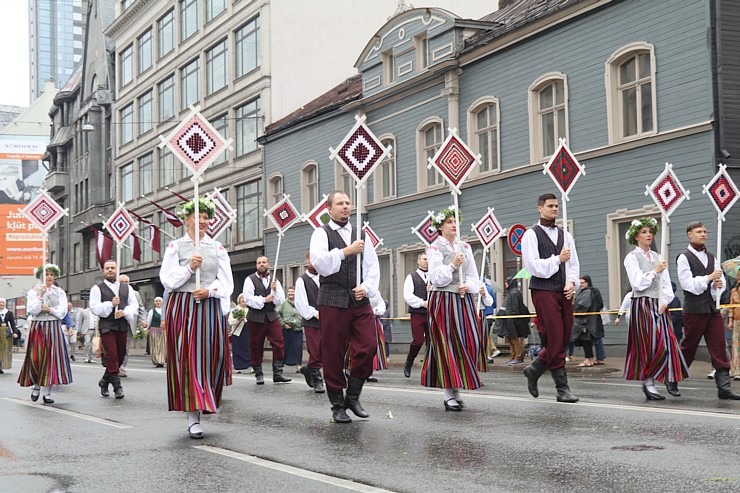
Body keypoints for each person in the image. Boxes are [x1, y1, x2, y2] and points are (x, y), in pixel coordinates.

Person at [160, 197, 234, 439]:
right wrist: (189, 268)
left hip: (209, 306)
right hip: (182, 306)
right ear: (186, 219)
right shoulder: (175, 247)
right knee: (188, 358)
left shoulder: (217, 248)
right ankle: (193, 415)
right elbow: (168, 280)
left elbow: (227, 283)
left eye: (205, 217)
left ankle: (205, 399)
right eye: (198, 217)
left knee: (210, 357)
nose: (203, 221)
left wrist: (211, 291)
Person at [310, 191, 379, 423]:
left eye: (348, 203)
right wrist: (345, 251)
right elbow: (319, 263)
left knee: (369, 346)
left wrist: (366, 287)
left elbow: (372, 266)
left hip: (359, 299)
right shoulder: (321, 233)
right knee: (333, 352)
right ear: (329, 209)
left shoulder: (360, 234)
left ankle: (353, 394)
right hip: (332, 298)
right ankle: (337, 404)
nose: (345, 206)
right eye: (340, 203)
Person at [421, 205, 484, 411]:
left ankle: (457, 387)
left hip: (462, 299)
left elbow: (474, 275)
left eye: (455, 221)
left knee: (469, 341)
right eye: (449, 222)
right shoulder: (434, 248)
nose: (454, 225)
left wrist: (470, 286)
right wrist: (453, 265)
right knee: (446, 344)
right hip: (443, 300)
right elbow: (436, 278)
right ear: (440, 226)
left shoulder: (464, 247)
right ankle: (449, 393)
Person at [521, 193, 580, 403]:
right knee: (554, 337)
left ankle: (535, 369)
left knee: (565, 338)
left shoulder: (566, 236)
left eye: (556, 206)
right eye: (550, 206)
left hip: (563, 291)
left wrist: (572, 282)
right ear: (540, 208)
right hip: (543, 289)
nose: (555, 209)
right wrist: (557, 259)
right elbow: (533, 266)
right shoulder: (531, 235)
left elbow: (573, 265)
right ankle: (562, 388)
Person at [622, 217, 688, 400]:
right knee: (649, 345)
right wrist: (654, 272)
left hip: (659, 304)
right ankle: (649, 383)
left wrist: (665, 300)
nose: (648, 235)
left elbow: (666, 284)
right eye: (644, 232)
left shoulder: (658, 257)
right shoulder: (631, 258)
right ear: (636, 237)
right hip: (642, 303)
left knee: (668, 343)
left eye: (650, 232)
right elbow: (637, 283)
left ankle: (668, 377)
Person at [675, 221, 739, 399]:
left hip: (712, 309)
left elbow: (720, 285)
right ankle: (673, 378)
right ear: (689, 234)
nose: (703, 234)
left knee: (719, 345)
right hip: (694, 310)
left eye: (704, 231)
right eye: (698, 231)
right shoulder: (683, 257)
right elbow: (688, 285)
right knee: (689, 346)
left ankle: (724, 387)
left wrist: (717, 285)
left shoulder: (712, 257)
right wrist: (709, 278)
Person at [17, 264, 71, 403]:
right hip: (39, 327)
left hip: (53, 326)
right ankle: (36, 387)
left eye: (52, 275)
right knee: (37, 358)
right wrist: (40, 296)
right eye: (47, 274)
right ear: (41, 276)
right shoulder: (33, 291)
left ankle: (47, 392)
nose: (49, 277)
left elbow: (63, 311)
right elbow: (32, 310)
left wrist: (51, 310)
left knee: (52, 359)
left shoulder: (59, 292)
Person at [90, 260, 139, 399]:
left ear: (117, 270)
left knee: (121, 354)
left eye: (112, 268)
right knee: (112, 355)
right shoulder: (97, 288)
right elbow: (94, 307)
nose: (110, 270)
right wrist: (111, 305)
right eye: (107, 268)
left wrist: (124, 312)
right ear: (103, 271)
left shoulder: (126, 288)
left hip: (122, 324)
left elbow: (133, 305)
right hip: (107, 326)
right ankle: (117, 386)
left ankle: (105, 381)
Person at [243, 256, 291, 384]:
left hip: (271, 315)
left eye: (264, 262)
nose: (261, 264)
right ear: (256, 265)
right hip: (255, 316)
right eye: (259, 263)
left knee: (279, 342)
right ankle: (258, 373)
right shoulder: (250, 280)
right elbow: (248, 299)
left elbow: (281, 300)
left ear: (268, 264)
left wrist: (274, 291)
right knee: (256, 345)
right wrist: (264, 299)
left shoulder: (274, 280)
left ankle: (278, 372)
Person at [295, 250, 324, 393]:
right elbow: (301, 303)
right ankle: (318, 379)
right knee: (316, 350)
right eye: (311, 259)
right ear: (307, 261)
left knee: (327, 349)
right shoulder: (302, 280)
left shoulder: (325, 276)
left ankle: (308, 368)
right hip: (312, 321)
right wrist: (314, 313)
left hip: (328, 319)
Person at [402, 252, 429, 378]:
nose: (426, 261)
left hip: (432, 313)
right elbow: (408, 295)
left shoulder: (434, 277)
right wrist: (422, 303)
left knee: (433, 341)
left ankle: (430, 367)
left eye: (428, 259)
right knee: (418, 341)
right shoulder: (411, 277)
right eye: (424, 259)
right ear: (418, 261)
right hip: (418, 312)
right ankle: (409, 362)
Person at [494, 277, 530, 366]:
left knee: (514, 339)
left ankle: (518, 356)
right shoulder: (511, 292)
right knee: (510, 339)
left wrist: (514, 317)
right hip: (508, 319)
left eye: (506, 282)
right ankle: (513, 356)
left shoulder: (514, 292)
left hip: (512, 320)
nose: (505, 284)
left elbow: (514, 307)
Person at [571, 275, 604, 368]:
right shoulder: (591, 291)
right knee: (588, 341)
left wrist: (574, 307)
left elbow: (583, 306)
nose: (580, 285)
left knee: (585, 341)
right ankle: (590, 359)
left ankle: (588, 360)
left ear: (587, 282)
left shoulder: (587, 292)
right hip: (591, 321)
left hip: (585, 322)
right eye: (579, 283)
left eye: (582, 283)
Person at [119, 275, 146, 377]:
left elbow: (141, 308)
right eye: (122, 282)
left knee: (125, 347)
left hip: (130, 323)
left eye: (127, 282)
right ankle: (114, 366)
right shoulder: (114, 292)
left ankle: (122, 367)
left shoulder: (135, 294)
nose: (125, 284)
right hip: (116, 323)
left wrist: (143, 320)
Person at [277, 286, 303, 372]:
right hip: (287, 329)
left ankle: (298, 365)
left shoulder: (300, 302)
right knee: (285, 347)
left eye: (292, 292)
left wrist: (301, 322)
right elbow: (277, 314)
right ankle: (281, 365)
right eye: (289, 292)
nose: (290, 293)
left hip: (298, 328)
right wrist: (283, 324)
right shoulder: (284, 303)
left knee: (298, 347)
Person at [227, 293, 251, 374]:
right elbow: (230, 322)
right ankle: (239, 366)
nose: (243, 300)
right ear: (239, 300)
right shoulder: (235, 310)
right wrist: (238, 319)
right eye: (242, 298)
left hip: (248, 331)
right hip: (237, 333)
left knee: (248, 348)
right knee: (238, 349)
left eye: (245, 298)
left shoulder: (251, 310)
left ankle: (250, 365)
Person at [0, 298, 18, 374]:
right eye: (0, 302)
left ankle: (2, 365)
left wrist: (15, 332)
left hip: (6, 333)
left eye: (3, 302)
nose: (1, 304)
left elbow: (12, 323)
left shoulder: (9, 313)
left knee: (5, 349)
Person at [147, 297, 165, 367]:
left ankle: (161, 360)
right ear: (154, 303)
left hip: (163, 330)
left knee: (162, 346)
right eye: (156, 301)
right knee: (154, 345)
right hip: (154, 330)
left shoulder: (164, 311)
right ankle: (156, 360)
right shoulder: (152, 311)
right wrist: (147, 329)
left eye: (159, 301)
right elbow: (149, 320)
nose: (158, 302)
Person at [730, 282, 740, 381]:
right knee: (736, 346)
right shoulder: (734, 291)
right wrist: (730, 320)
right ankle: (735, 370)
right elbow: (731, 306)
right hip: (737, 320)